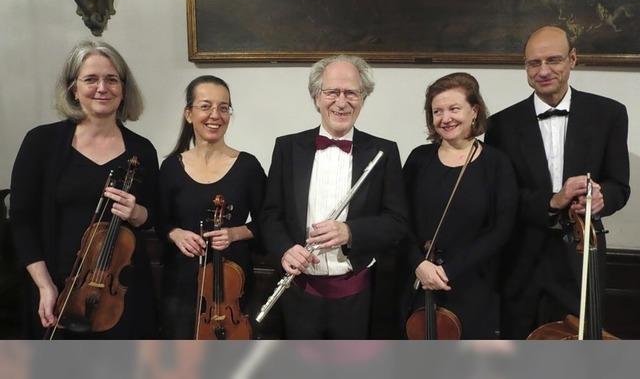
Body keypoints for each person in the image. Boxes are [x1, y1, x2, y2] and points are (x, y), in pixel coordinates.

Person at [485, 25, 630, 339]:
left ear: (573, 59)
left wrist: (605, 198)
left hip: (581, 256)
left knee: (578, 353)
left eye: (553, 60)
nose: (543, 70)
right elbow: (501, 198)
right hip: (520, 259)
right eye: (533, 63)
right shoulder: (499, 125)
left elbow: (620, 186)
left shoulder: (610, 114)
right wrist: (553, 201)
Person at [10, 40, 159, 338]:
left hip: (121, 296)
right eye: (90, 79)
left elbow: (156, 215)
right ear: (73, 89)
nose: (102, 87)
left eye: (112, 79)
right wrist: (44, 285)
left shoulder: (141, 150)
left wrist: (138, 212)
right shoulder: (41, 143)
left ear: (124, 89)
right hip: (57, 288)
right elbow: (22, 222)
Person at [260, 54, 407, 339]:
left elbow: (397, 222)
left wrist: (350, 232)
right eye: (332, 92)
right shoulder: (287, 148)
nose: (342, 102)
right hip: (298, 293)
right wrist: (284, 249)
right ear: (317, 97)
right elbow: (269, 214)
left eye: (351, 92)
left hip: (358, 297)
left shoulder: (384, 152)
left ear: (363, 99)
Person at [403, 72, 517, 339]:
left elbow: (501, 230)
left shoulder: (497, 164)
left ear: (474, 111)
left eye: (454, 109)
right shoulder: (419, 159)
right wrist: (418, 264)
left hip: (472, 286)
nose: (445, 118)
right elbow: (399, 219)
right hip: (417, 284)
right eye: (437, 111)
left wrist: (448, 270)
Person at [157, 75, 266, 339]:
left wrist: (234, 233)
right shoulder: (171, 167)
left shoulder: (248, 166)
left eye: (224, 107)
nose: (215, 115)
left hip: (232, 289)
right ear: (189, 113)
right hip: (181, 286)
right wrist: (176, 234)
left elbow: (271, 222)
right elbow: (159, 221)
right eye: (205, 106)